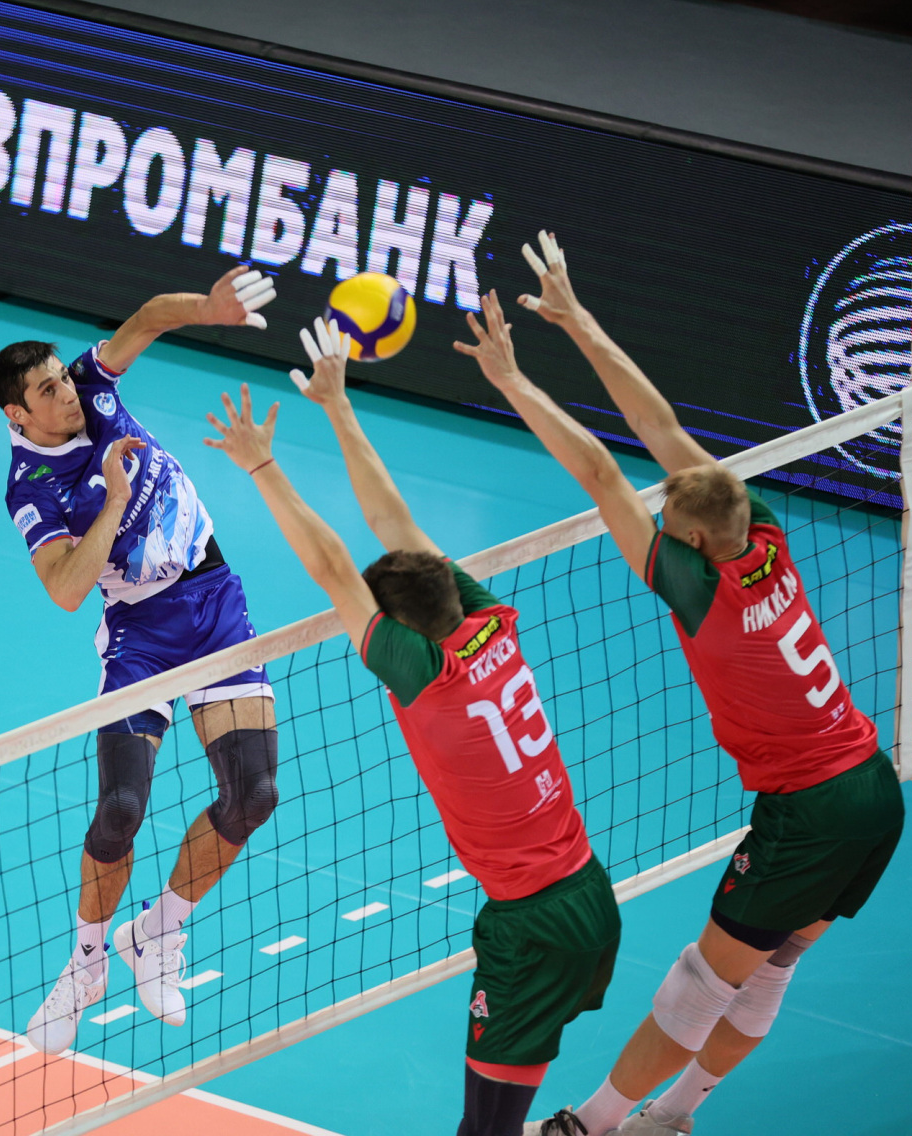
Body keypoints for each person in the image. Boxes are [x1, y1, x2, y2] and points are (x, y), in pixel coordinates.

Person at [455, 235, 904, 1136]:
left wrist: (512, 380)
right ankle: (673, 1117)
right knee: (770, 967)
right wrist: (578, 319)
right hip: (872, 788)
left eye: (669, 521)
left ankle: (593, 1125)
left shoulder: (701, 593)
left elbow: (600, 471)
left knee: (704, 980)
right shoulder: (758, 526)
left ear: (692, 543)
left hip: (811, 814)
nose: (660, 522)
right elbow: (662, 430)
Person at [203, 323, 620, 1136]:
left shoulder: (425, 673)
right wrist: (338, 406)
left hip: (529, 927)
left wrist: (261, 464)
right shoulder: (488, 619)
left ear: (402, 633)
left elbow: (333, 567)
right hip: (589, 897)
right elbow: (395, 525)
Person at [0, 267, 282, 1054]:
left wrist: (208, 308)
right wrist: (113, 500)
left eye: (62, 378)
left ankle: (158, 933)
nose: (67, 394)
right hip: (141, 634)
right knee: (119, 808)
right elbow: (64, 590)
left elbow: (146, 317)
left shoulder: (93, 386)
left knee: (254, 794)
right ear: (18, 413)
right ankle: (85, 965)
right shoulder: (30, 487)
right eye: (48, 391)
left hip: (214, 603)